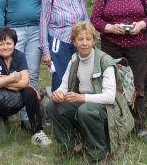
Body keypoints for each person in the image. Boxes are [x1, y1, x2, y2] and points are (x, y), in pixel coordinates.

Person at [90, 0, 147, 141]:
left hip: (137, 45)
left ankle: (140, 126)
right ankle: (116, 124)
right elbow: (95, 19)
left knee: (138, 84)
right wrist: (110, 27)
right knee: (113, 85)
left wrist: (141, 25)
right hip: (111, 45)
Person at [46, 22, 134, 163]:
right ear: (74, 42)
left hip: (107, 106)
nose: (85, 43)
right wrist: (59, 94)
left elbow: (110, 97)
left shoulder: (105, 60)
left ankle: (98, 154)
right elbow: (63, 85)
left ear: (94, 40)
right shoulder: (74, 59)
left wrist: (81, 97)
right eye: (80, 39)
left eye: (88, 39)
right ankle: (68, 148)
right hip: (84, 101)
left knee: (86, 110)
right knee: (52, 106)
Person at [0, 27, 51, 158]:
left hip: (14, 99)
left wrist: (0, 80)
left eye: (9, 43)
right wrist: (11, 78)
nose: (5, 47)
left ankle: (37, 132)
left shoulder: (19, 56)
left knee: (30, 92)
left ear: (14, 44)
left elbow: (24, 82)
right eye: (1, 44)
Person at [0, 0, 48, 129]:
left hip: (36, 31)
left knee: (31, 72)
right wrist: (2, 35)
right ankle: (6, 108)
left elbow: (49, 6)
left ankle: (28, 117)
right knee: (11, 72)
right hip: (13, 32)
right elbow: (0, 9)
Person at [40, 0, 89, 91]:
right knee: (60, 77)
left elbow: (85, 18)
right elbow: (43, 25)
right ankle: (59, 107)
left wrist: (88, 38)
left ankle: (77, 107)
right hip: (59, 41)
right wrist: (45, 51)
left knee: (80, 76)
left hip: (79, 41)